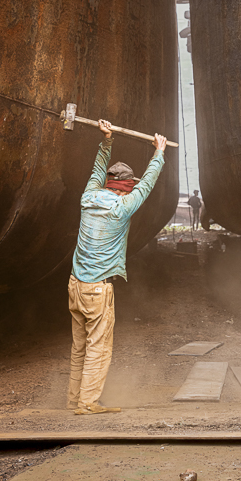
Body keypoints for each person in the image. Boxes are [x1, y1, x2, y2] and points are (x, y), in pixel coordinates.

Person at [67, 119, 167, 415]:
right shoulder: (122, 207)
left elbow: (98, 171)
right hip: (98, 290)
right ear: (124, 189)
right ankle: (86, 403)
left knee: (79, 348)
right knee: (99, 348)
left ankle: (74, 399)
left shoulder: (88, 198)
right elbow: (147, 184)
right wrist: (159, 152)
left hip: (74, 286)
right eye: (129, 188)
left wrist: (107, 141)